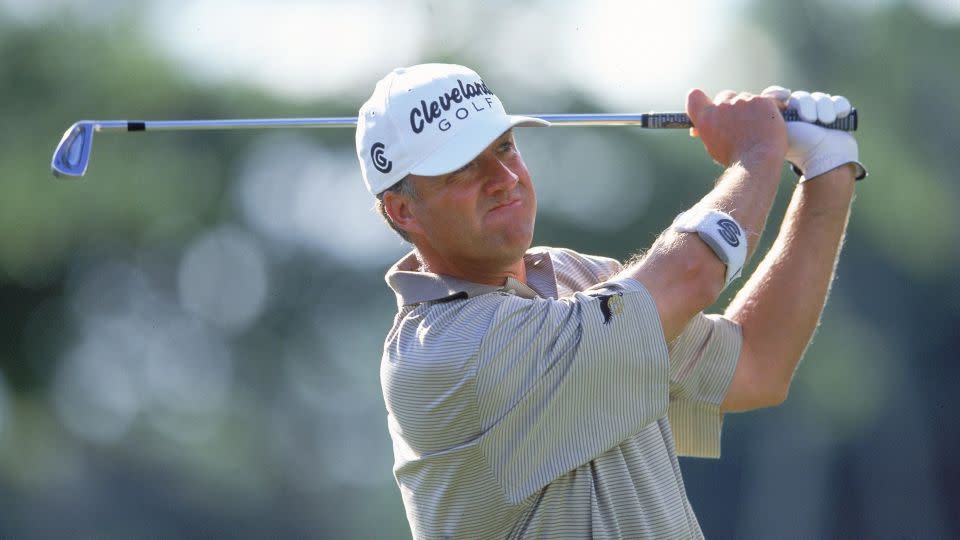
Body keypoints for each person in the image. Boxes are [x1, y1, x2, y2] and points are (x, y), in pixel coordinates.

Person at [355, 63, 865, 539]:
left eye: (505, 147)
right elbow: (691, 274)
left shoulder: (574, 276)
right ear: (403, 211)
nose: (505, 179)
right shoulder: (445, 353)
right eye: (463, 169)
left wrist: (827, 169)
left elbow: (757, 366)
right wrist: (758, 154)